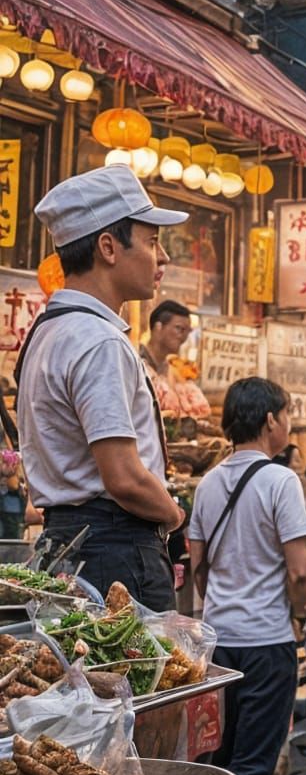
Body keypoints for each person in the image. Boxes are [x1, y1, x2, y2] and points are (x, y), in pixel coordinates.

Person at [15, 168, 188, 611]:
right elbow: (125, 479)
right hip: (117, 551)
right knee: (135, 678)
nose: (161, 257)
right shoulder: (99, 340)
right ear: (109, 248)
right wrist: (172, 515)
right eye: (151, 242)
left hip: (67, 545)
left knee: (81, 677)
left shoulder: (48, 331)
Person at [186, 377, 306, 775]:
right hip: (265, 644)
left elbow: (196, 564)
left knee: (218, 769)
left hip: (219, 645)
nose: (289, 424)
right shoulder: (282, 480)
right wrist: (299, 616)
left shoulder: (210, 482)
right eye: (286, 414)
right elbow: (301, 569)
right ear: (268, 421)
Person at [140, 299, 211, 439]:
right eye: (179, 329)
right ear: (158, 327)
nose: (184, 337)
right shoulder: (136, 363)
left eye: (187, 331)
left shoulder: (172, 371)